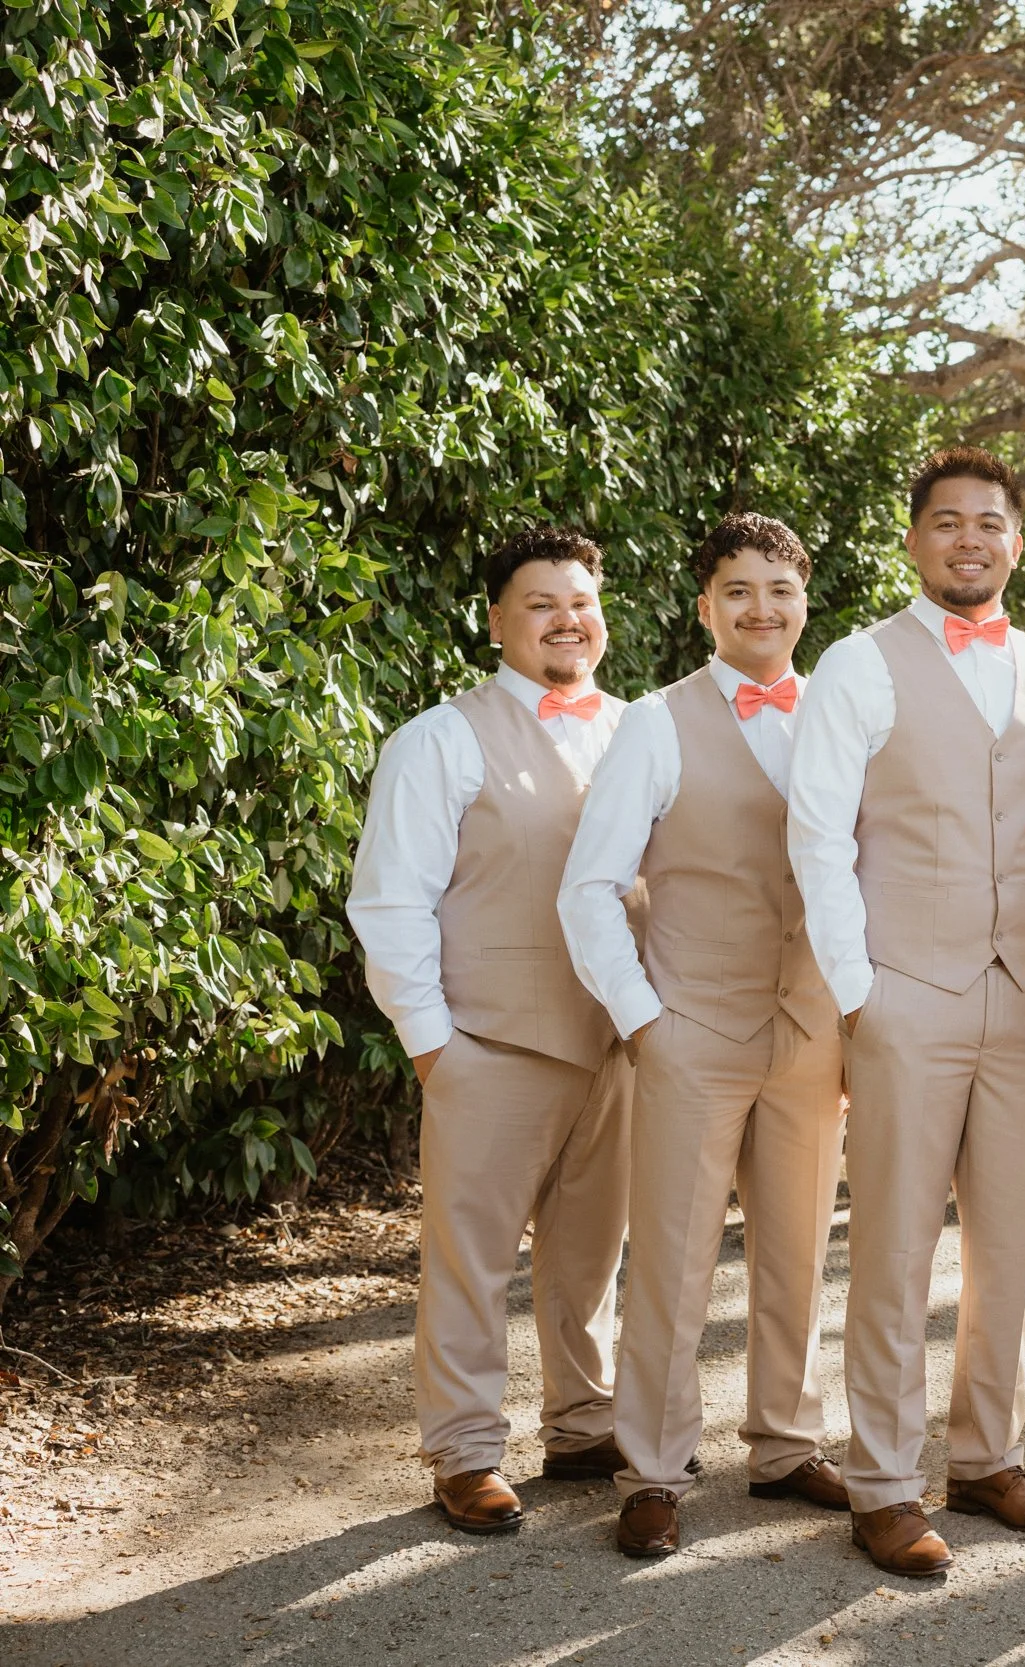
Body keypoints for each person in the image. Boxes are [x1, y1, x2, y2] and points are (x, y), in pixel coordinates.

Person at [786, 447, 1025, 1577]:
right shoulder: (856, 664)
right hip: (903, 995)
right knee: (891, 1243)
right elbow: (817, 837)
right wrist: (858, 991)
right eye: (945, 522)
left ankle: (988, 1456)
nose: (968, 538)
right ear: (915, 540)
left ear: (1015, 542)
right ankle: (882, 1482)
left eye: (988, 523)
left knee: (1016, 1245)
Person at [556, 514, 850, 1557]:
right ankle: (653, 1468)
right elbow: (589, 884)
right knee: (673, 1259)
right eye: (738, 589)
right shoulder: (655, 720)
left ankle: (784, 1443)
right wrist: (645, 1019)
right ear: (705, 606)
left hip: (811, 1028)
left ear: (804, 597)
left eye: (778, 586)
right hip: (690, 1025)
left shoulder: (846, 714)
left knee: (799, 1247)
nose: (760, 607)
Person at [347, 526, 639, 1533]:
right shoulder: (441, 737)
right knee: (470, 1258)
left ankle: (584, 1421)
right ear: (497, 620)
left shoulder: (640, 730)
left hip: (617, 1039)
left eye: (582, 601)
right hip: (491, 1039)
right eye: (542, 602)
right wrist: (432, 1039)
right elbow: (391, 898)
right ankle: (467, 1448)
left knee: (592, 1249)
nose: (568, 619)